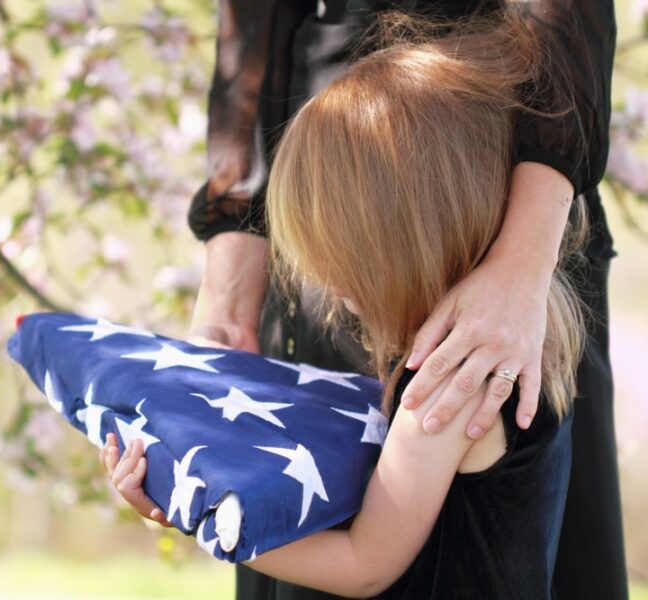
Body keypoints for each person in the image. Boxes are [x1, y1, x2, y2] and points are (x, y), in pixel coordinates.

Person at [99, 8, 601, 598]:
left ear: (402, 247)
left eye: (340, 256)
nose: (328, 285)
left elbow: (363, 565)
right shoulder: (524, 344)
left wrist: (199, 513)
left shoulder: (447, 383)